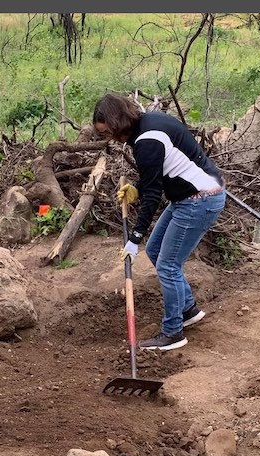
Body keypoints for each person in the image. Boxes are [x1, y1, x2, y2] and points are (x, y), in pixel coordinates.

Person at [92, 94, 223, 352]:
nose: (111, 138)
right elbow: (156, 178)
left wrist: (134, 238)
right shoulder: (150, 122)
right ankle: (187, 310)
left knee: (168, 265)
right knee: (155, 250)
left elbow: (154, 195)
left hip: (199, 200)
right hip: (189, 196)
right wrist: (137, 189)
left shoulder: (147, 141)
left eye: (109, 132)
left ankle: (173, 332)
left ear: (117, 122)